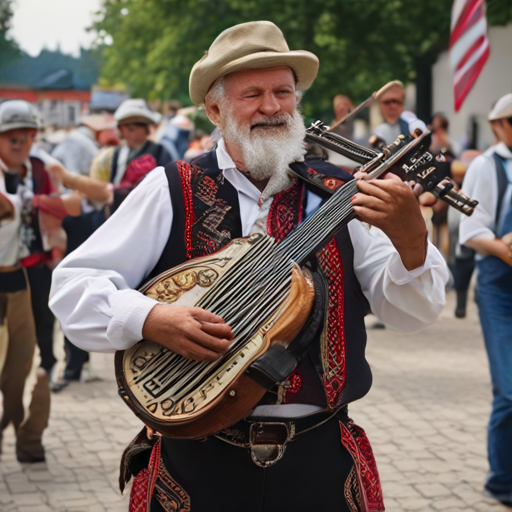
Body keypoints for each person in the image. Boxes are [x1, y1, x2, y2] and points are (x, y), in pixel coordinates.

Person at [50, 21, 448, 511]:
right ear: (215, 109)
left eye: (283, 91)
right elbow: (71, 287)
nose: (272, 106)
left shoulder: (341, 194)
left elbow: (414, 312)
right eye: (253, 94)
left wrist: (412, 240)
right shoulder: (170, 187)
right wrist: (150, 318)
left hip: (318, 458)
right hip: (197, 460)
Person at [0, 100, 79, 462]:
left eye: (27, 137)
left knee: (32, 350)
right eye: (12, 138)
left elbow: (62, 211)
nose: (20, 144)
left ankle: (28, 435)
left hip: (30, 271)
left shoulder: (39, 169)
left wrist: (55, 242)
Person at [459, 92, 512, 508]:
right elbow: (471, 232)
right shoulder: (486, 165)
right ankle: (501, 481)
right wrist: (505, 248)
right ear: (498, 126)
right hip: (499, 289)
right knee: (509, 390)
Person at [371, 81, 422, 146]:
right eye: (387, 102)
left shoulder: (414, 126)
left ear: (403, 104)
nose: (393, 106)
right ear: (379, 104)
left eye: (397, 102)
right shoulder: (378, 132)